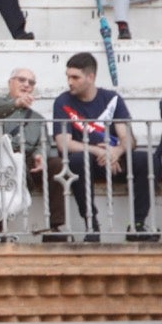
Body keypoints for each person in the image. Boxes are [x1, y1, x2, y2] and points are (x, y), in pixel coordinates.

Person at [53, 51, 157, 243]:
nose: (70, 82)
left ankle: (138, 224)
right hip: (86, 163)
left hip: (115, 161)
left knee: (144, 159)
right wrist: (98, 151)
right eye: (68, 77)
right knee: (76, 160)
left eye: (75, 77)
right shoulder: (63, 101)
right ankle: (91, 224)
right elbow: (63, 143)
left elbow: (129, 139)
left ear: (90, 77)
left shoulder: (111, 99)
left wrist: (116, 151)